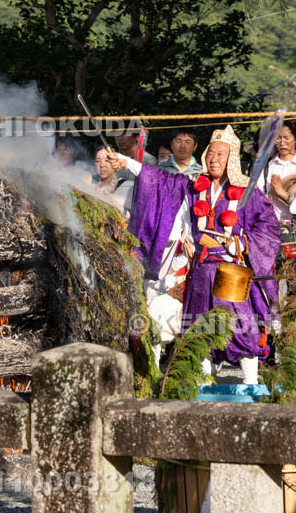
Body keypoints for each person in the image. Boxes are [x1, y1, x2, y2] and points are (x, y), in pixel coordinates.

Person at [111, 125, 281, 383]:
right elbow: (158, 180)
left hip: (230, 269)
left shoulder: (247, 192)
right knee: (198, 328)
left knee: (241, 328)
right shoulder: (193, 186)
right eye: (211, 153)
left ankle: (250, 384)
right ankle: (201, 384)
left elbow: (268, 227)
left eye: (221, 155)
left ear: (232, 159)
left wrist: (243, 243)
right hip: (201, 270)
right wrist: (124, 160)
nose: (214, 158)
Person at [255, 119, 296, 242]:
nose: (282, 143)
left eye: (286, 138)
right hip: (267, 229)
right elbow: (257, 202)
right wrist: (272, 194)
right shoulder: (266, 168)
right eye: (278, 138)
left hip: (295, 230)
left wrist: (282, 193)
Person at [93, 148, 134, 214]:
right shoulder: (92, 184)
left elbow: (134, 217)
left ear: (116, 162)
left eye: (107, 160)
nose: (102, 165)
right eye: (98, 161)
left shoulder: (129, 186)